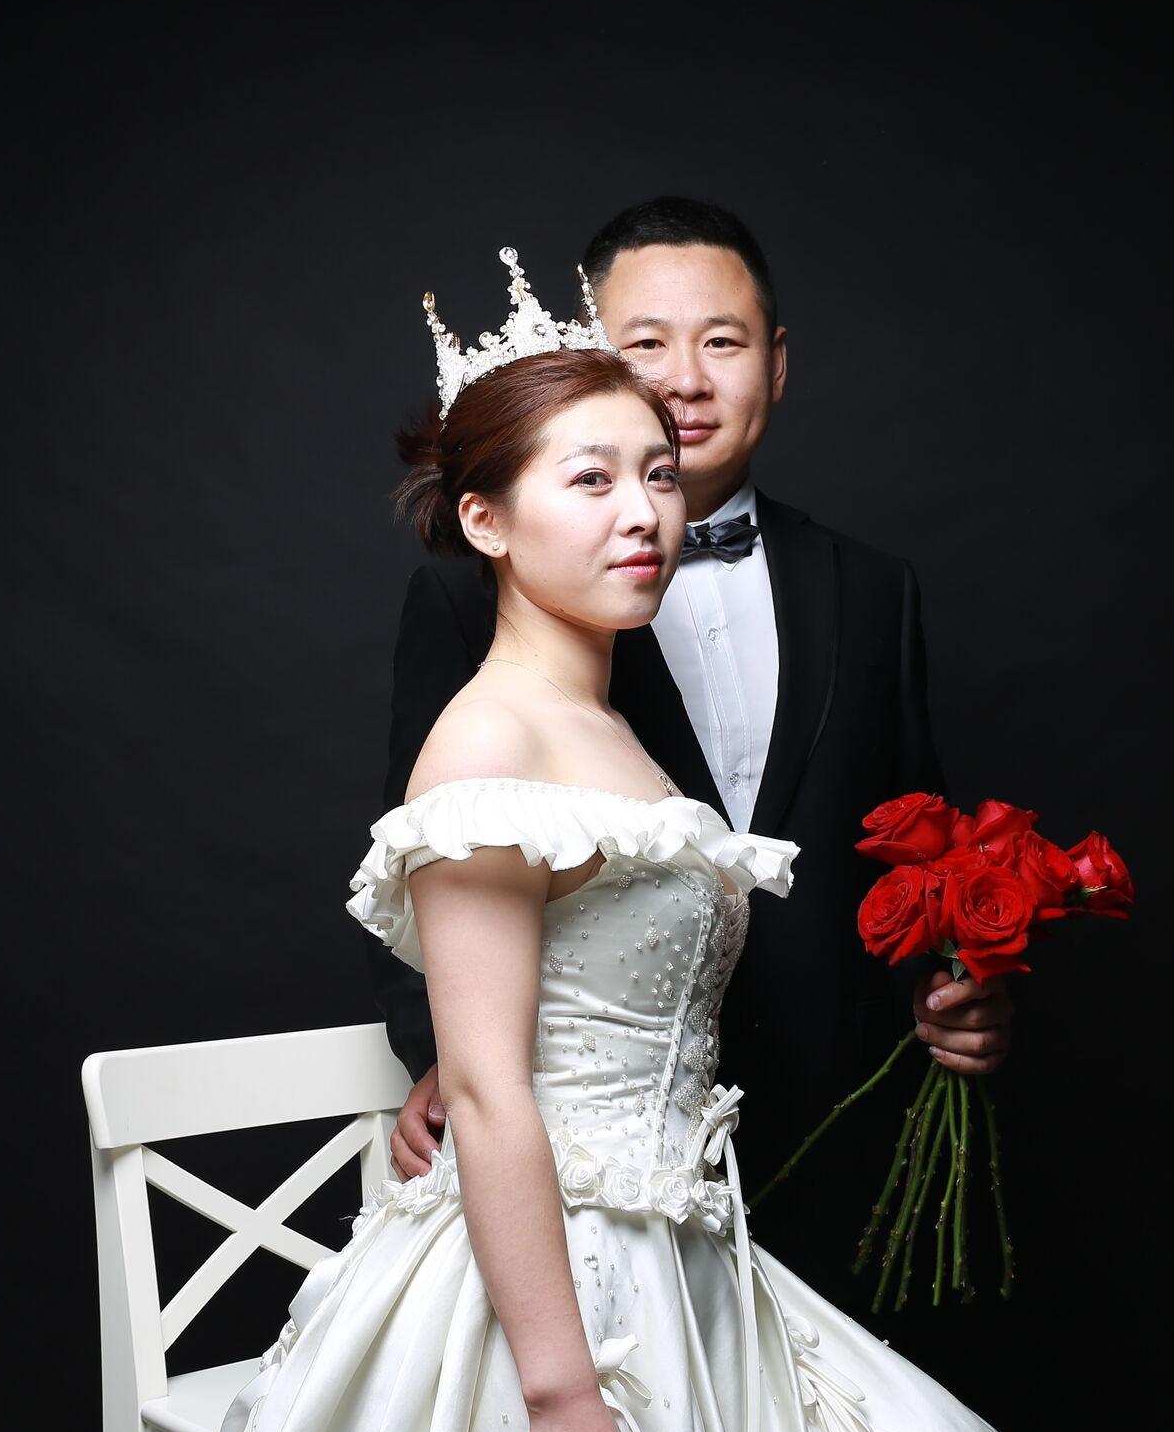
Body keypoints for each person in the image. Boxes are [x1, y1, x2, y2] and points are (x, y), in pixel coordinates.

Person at [77, 250, 1174, 1432]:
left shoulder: (600, 714)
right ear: (488, 521)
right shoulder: (491, 740)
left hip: (692, 1252)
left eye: (656, 474)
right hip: (554, 1286)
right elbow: (492, 1088)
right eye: (589, 478)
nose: (643, 508)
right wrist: (563, 1402)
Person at [371, 195, 1011, 1276]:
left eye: (722, 342)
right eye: (645, 346)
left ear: (777, 361)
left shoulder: (872, 588)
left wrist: (961, 988)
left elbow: (917, 842)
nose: (685, 380)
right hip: (589, 1167)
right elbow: (427, 845)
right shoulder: (475, 599)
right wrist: (454, 1061)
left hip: (844, 1133)